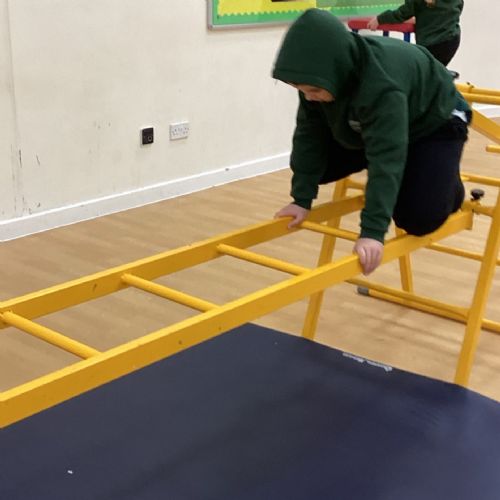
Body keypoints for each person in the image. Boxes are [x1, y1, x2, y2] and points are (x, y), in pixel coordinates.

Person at [272, 8, 470, 275]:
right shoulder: (318, 80)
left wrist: (372, 232)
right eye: (301, 90)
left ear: (337, 69)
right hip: (387, 123)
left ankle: (451, 190)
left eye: (313, 91)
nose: (308, 97)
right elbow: (309, 135)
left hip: (436, 120)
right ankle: (408, 166)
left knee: (418, 218)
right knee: (320, 167)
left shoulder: (382, 85)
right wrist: (301, 199)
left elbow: (386, 155)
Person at [367, 0, 464, 66]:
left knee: (422, 74)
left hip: (432, 44)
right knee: (435, 74)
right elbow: (458, 7)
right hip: (452, 40)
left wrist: (379, 19)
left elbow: (402, 14)